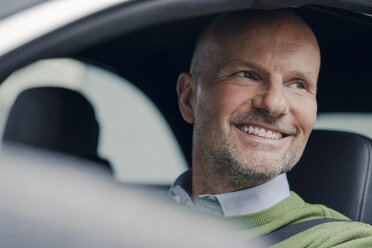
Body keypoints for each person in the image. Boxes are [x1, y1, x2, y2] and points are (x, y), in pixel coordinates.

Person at [170, 9, 372, 247]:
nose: (274, 104)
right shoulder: (135, 213)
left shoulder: (345, 241)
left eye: (298, 84)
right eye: (247, 75)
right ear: (188, 98)